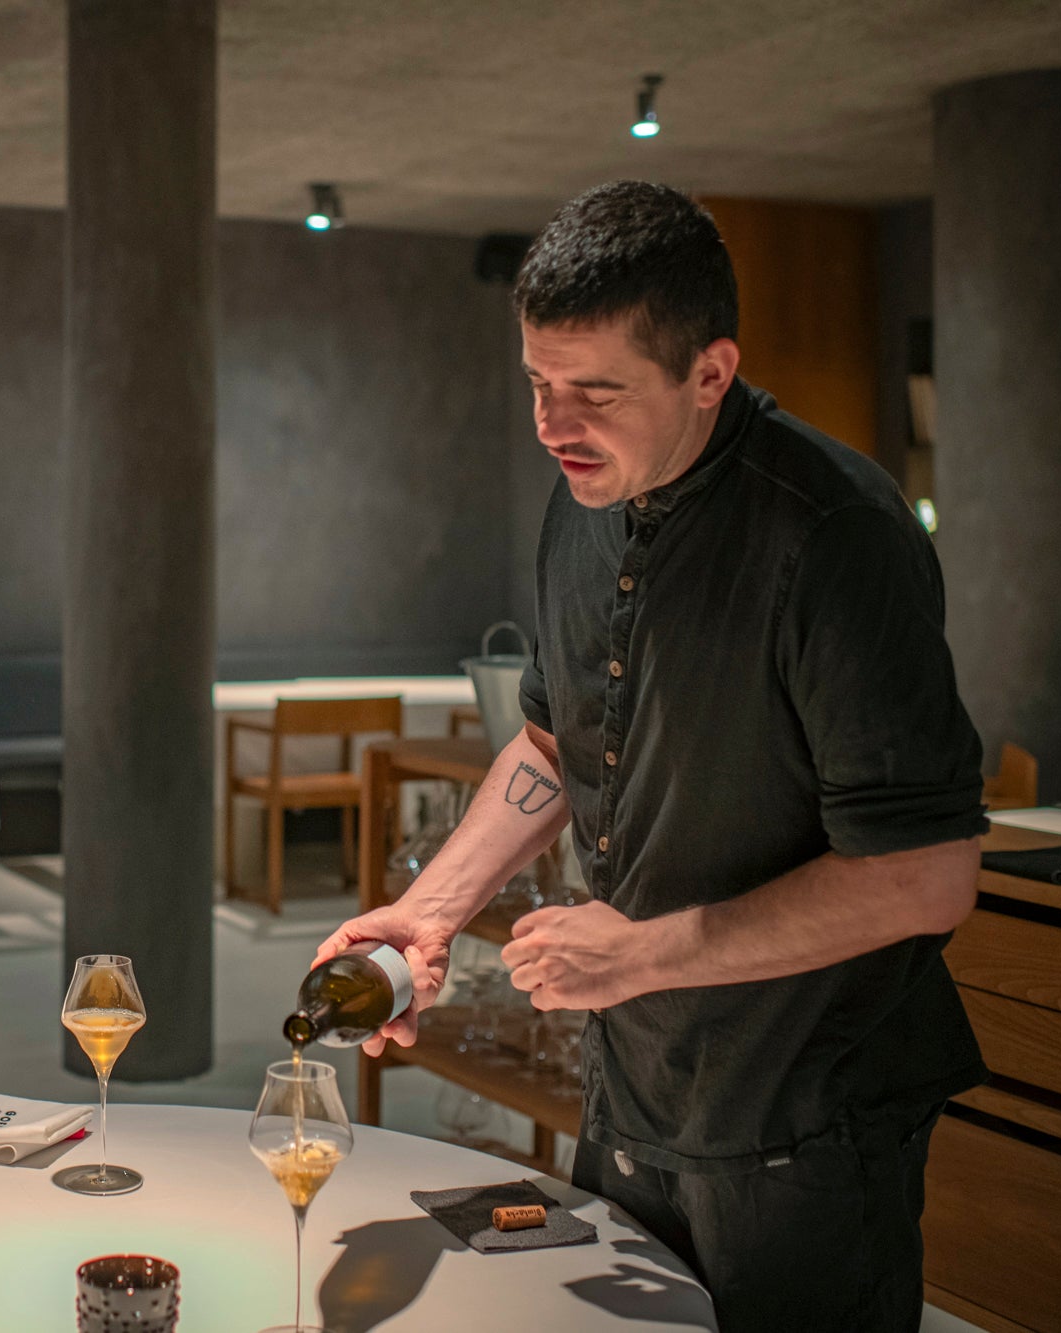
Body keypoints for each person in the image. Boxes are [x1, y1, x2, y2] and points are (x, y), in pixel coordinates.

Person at [317, 181, 987, 1330]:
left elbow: (923, 877)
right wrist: (430, 908)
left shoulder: (836, 540)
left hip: (807, 1123)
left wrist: (637, 955)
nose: (550, 422)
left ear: (709, 374)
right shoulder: (576, 505)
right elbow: (548, 740)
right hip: (632, 1087)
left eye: (594, 390)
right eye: (535, 380)